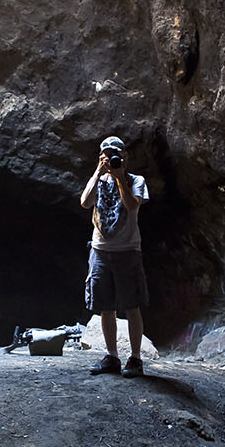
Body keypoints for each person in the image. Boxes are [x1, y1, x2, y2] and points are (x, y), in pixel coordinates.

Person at [80, 136, 150, 377]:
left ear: (125, 157)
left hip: (128, 251)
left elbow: (132, 205)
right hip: (100, 251)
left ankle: (136, 358)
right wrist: (98, 173)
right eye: (106, 155)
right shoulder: (98, 180)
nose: (111, 158)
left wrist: (119, 178)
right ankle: (112, 357)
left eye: (115, 155)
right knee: (105, 308)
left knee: (132, 306)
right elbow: (84, 202)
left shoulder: (136, 181)